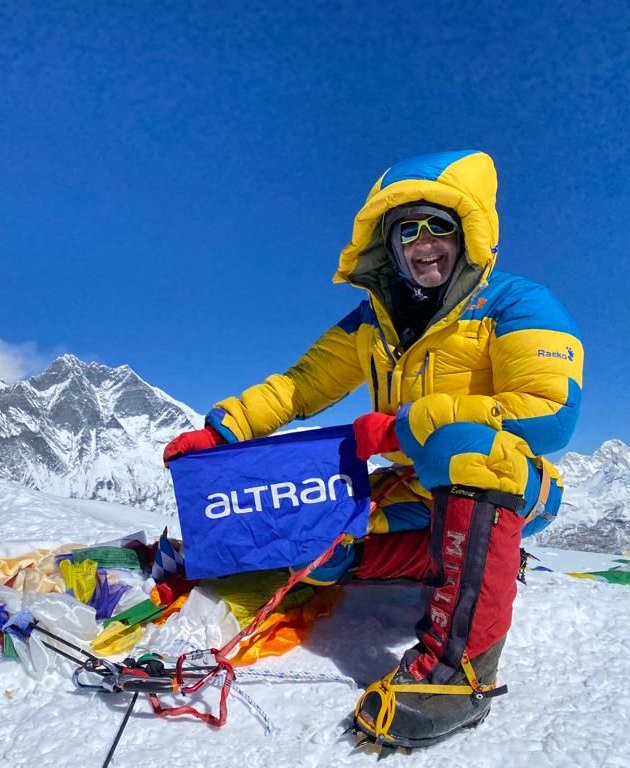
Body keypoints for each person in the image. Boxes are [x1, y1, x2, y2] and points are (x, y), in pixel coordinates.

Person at [163, 150, 583, 749]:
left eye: (439, 224)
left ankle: (457, 674)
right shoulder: (373, 321)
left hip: (509, 480)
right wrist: (223, 431)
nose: (424, 242)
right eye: (406, 229)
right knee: (319, 547)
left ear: (470, 232)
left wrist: (402, 427)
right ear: (389, 245)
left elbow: (549, 415)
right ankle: (462, 562)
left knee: (464, 445)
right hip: (415, 489)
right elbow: (299, 386)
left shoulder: (519, 304)